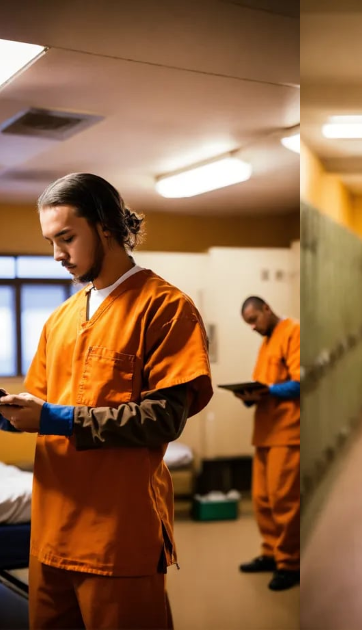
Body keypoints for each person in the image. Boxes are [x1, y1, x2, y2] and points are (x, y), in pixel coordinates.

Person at [0, 173, 212, 629]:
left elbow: (164, 418)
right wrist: (7, 412)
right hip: (50, 532)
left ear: (106, 227)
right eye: (50, 242)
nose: (57, 255)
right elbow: (38, 407)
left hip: (116, 536)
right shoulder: (60, 319)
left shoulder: (165, 308)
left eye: (66, 238)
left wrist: (54, 418)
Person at [235, 296, 301, 591]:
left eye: (253, 319)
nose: (253, 326)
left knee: (284, 500)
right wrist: (250, 396)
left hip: (288, 432)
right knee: (262, 500)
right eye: (248, 323)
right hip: (265, 433)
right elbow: (264, 384)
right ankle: (271, 553)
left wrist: (267, 391)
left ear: (266, 309)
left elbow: (299, 382)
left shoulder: (293, 332)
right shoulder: (266, 343)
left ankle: (290, 563)